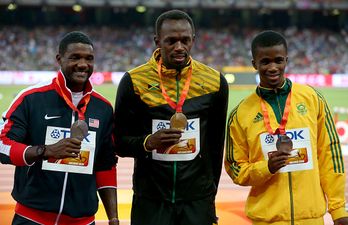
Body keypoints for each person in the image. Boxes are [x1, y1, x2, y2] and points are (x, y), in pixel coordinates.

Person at [113, 9, 228, 225]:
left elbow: (215, 145)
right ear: (157, 41)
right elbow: (118, 143)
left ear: (193, 39)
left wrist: (209, 198)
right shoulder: (134, 81)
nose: (179, 47)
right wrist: (148, 143)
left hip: (197, 201)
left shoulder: (215, 82)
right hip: (151, 200)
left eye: (185, 40)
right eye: (171, 41)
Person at [225, 30, 348, 225]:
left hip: (311, 218)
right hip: (267, 219)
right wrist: (267, 167)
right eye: (265, 62)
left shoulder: (312, 99)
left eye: (278, 60)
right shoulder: (241, 114)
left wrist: (338, 209)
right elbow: (235, 168)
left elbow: (329, 154)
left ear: (286, 60)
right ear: (254, 64)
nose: (272, 67)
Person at [0, 31, 119, 225]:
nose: (83, 64)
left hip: (83, 221)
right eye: (75, 57)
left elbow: (105, 165)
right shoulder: (31, 98)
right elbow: (2, 144)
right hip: (32, 218)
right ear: (59, 59)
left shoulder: (103, 108)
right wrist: (44, 151)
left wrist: (113, 217)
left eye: (89, 58)